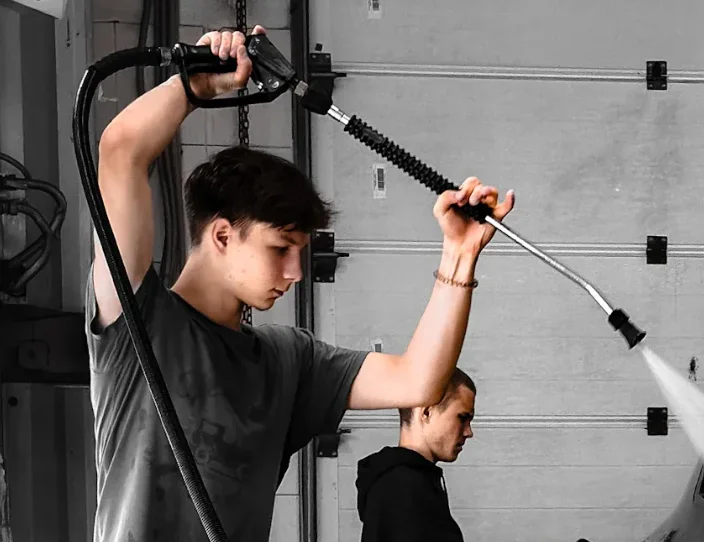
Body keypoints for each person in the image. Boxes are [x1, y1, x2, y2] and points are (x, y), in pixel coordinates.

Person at [85, 25, 513, 542]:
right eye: (279, 248)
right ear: (222, 235)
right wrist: (195, 87)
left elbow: (417, 381)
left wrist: (460, 254)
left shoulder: (289, 361)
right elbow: (120, 151)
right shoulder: (136, 321)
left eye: (301, 253)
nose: (294, 273)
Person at [355, 368, 477, 542]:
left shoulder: (409, 479)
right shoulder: (404, 487)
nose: (468, 432)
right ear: (426, 412)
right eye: (462, 418)